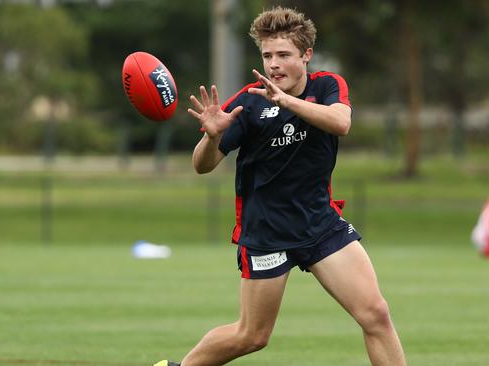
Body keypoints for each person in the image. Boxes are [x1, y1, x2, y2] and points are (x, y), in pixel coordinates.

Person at [154, 6, 406, 366]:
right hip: (266, 231)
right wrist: (212, 138)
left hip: (320, 224)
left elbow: (341, 122)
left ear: (306, 55)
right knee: (252, 336)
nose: (273, 64)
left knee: (376, 315)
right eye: (268, 55)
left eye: (283, 55)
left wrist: (287, 101)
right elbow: (201, 165)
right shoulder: (249, 102)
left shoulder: (327, 86)